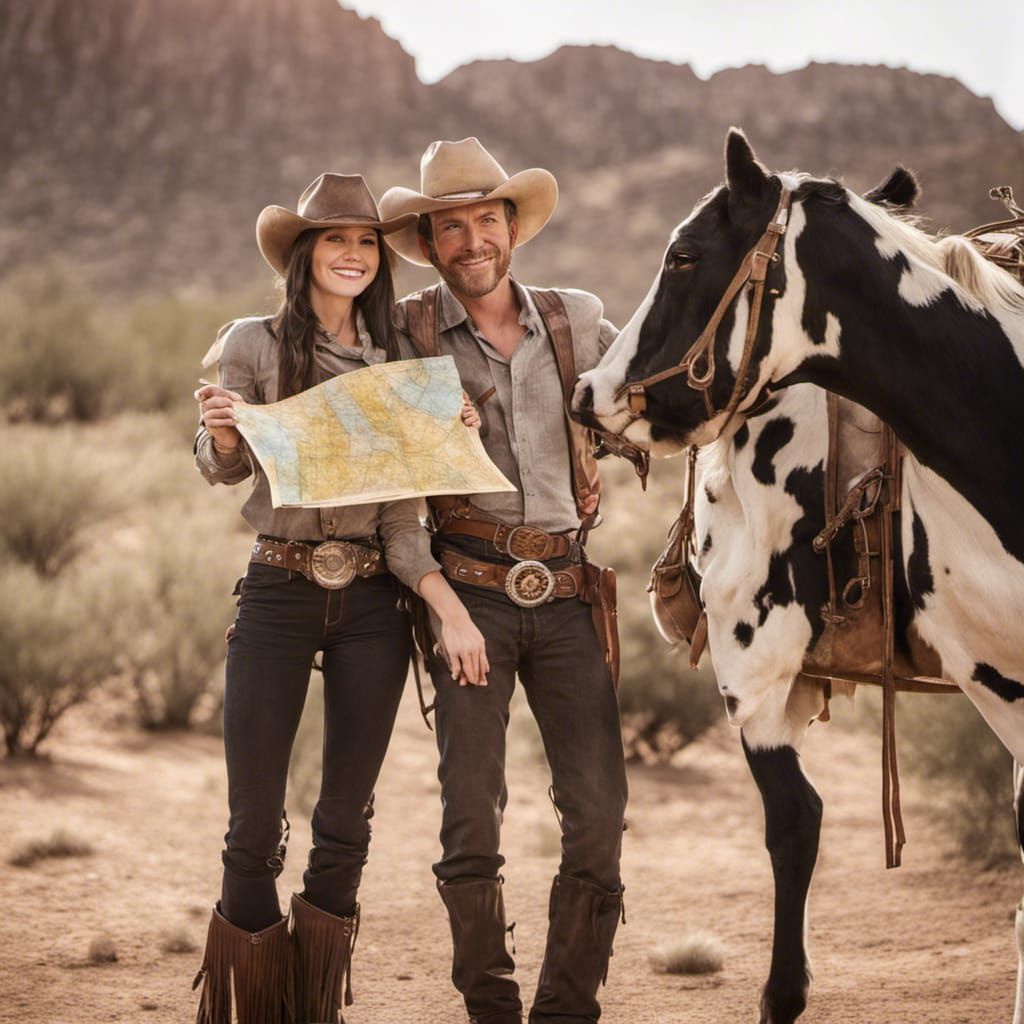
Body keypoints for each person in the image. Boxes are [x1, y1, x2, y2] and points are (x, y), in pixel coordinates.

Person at [191, 172, 486, 1024]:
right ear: (305, 253)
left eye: (366, 242)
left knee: (344, 828)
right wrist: (218, 434)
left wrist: (447, 442)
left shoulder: (401, 364)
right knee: (252, 828)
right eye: (335, 240)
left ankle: (316, 1008)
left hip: (371, 606)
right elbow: (224, 465)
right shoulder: (249, 341)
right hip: (277, 587)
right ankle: (253, 1009)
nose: (353, 254)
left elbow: (403, 519)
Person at [380, 139, 628, 1024]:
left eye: (488, 220)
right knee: (469, 817)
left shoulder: (579, 317)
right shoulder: (403, 334)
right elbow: (390, 494)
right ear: (431, 241)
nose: (473, 240)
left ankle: (567, 1011)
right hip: (468, 594)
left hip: (567, 592)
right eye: (453, 227)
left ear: (513, 227)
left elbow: (645, 399)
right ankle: (489, 1007)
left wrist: (596, 444)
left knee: (599, 815)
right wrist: (440, 605)